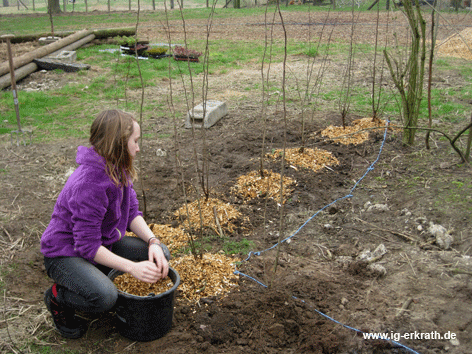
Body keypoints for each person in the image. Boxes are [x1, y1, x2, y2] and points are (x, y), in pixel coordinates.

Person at [41, 109, 169, 339]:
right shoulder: (89, 184)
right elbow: (87, 246)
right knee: (104, 297)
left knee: (160, 255)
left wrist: (153, 241)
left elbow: (131, 214)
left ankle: (97, 273)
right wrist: (132, 268)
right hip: (64, 254)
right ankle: (58, 298)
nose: (138, 148)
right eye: (135, 141)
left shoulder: (118, 168)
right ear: (119, 143)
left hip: (102, 244)